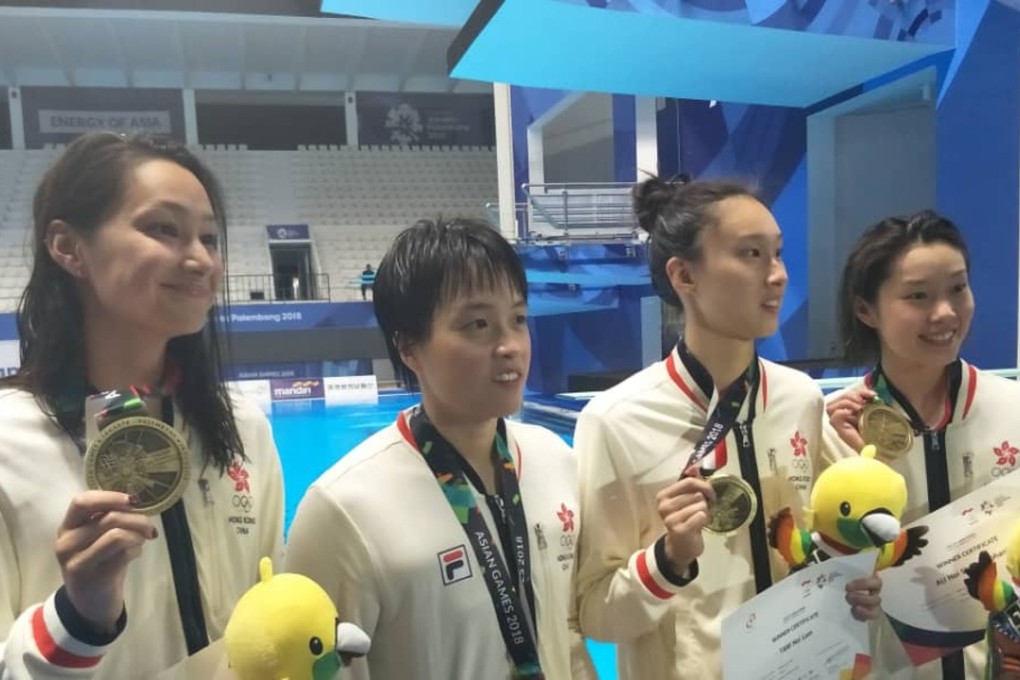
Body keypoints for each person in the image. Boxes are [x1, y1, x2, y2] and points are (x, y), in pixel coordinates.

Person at [572, 177, 882, 679]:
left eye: (778, 254)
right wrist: (668, 561)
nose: (777, 275)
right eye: (751, 254)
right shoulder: (616, 421)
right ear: (684, 276)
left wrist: (854, 579)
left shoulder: (799, 398)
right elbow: (596, 614)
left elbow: (823, 543)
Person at [0, 132, 285, 678]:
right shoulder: (9, 441)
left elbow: (266, 606)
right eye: (163, 229)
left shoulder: (242, 428)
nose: (200, 258)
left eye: (209, 237)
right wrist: (77, 616)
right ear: (68, 247)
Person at [285, 217, 594, 679]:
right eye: (478, 325)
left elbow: (567, 633)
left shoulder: (555, 460)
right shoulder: (345, 509)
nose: (510, 345)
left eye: (518, 319)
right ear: (409, 347)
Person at [825, 209, 1020, 679]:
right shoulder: (832, 431)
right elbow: (822, 578)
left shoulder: (1012, 407)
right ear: (865, 309)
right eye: (918, 296)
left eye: (958, 288)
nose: (946, 313)